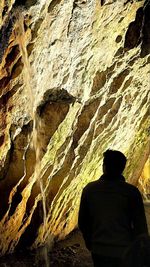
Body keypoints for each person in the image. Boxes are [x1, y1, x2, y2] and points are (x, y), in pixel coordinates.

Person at [78, 149, 148, 267]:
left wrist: (90, 243)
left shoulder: (90, 190)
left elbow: (83, 222)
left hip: (98, 250)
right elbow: (140, 226)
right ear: (122, 168)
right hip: (124, 250)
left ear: (104, 167)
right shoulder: (131, 192)